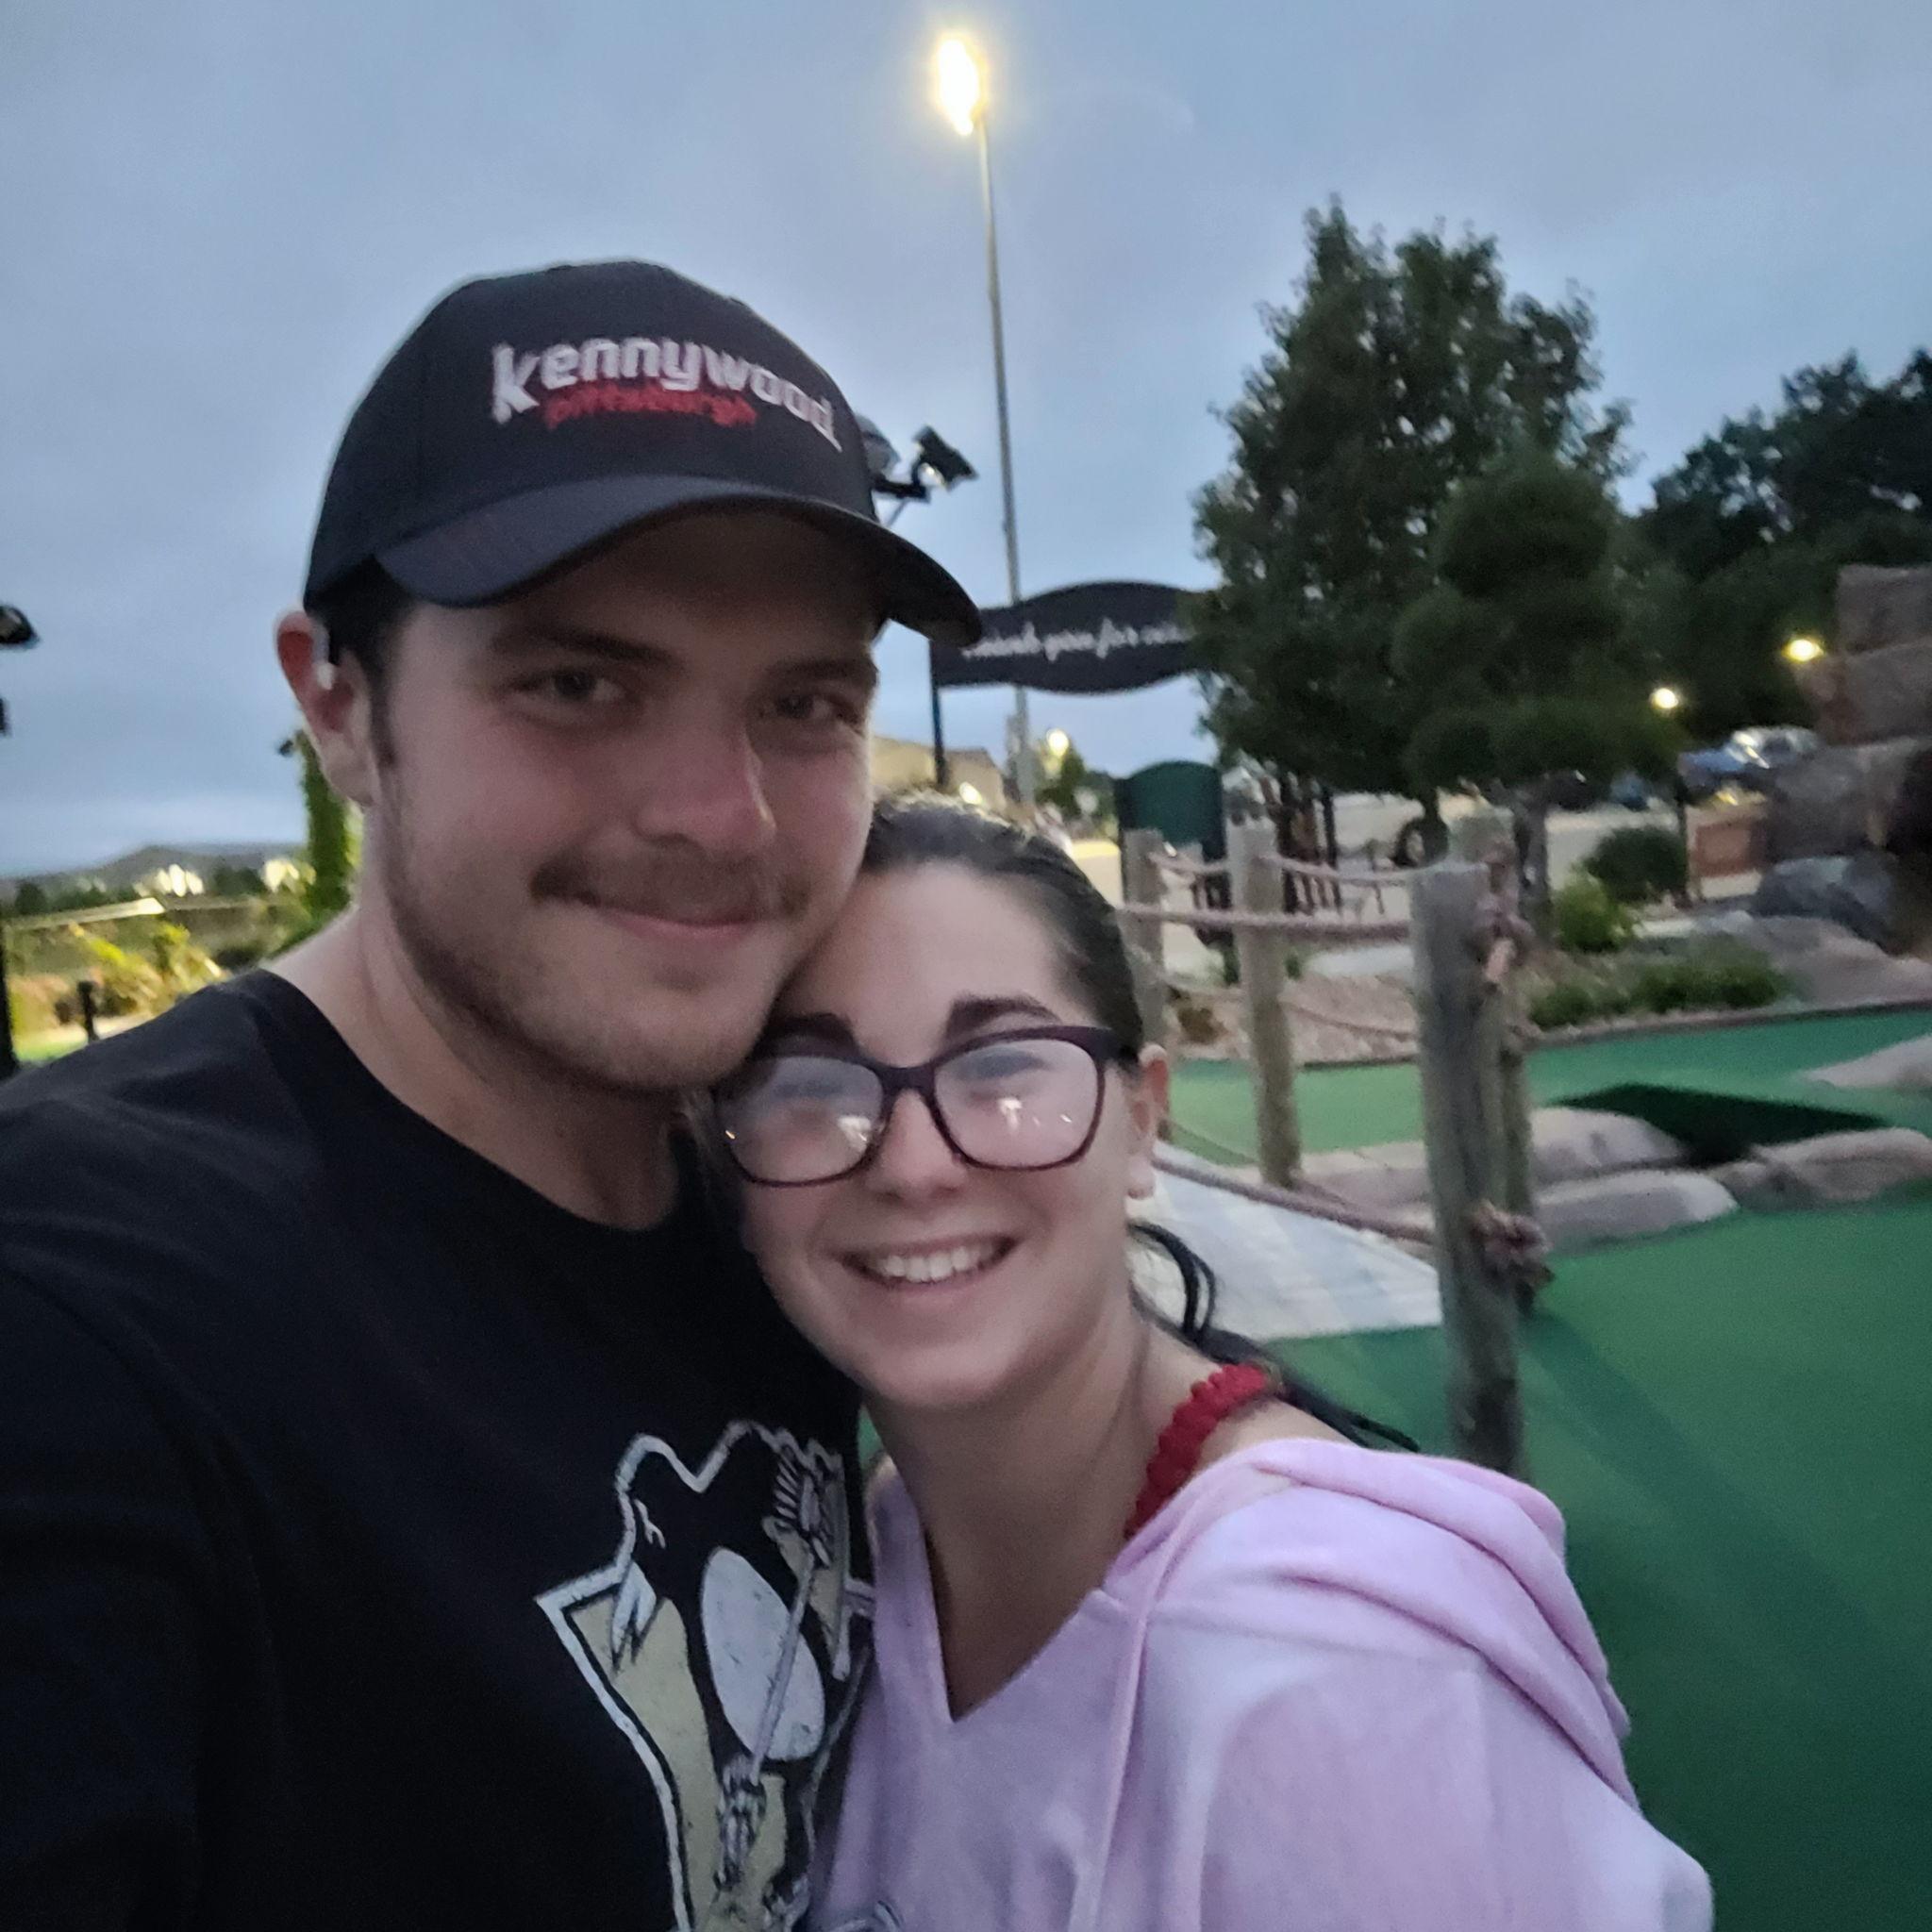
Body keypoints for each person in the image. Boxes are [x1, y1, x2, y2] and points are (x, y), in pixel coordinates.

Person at [0, 261, 980, 1928]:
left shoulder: (772, 1187)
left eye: (803, 703)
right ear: (339, 703)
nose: (721, 814)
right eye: (577, 682)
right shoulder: (82, 1307)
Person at [716, 797, 1714, 1930]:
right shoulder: (855, 1559)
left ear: (1141, 1120)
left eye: (998, 1066)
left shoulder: (1332, 1675)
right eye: (811, 1086)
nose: (911, 1164)